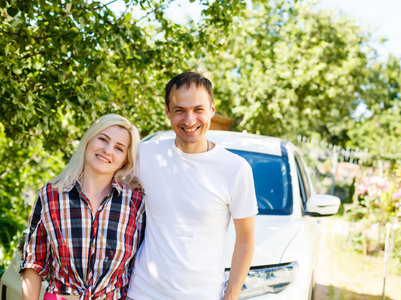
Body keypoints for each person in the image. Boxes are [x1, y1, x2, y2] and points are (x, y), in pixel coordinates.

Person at [127, 72, 258, 300]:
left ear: (212, 110)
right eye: (180, 110)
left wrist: (230, 297)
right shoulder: (145, 156)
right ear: (168, 112)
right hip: (142, 294)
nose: (189, 121)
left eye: (198, 109)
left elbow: (246, 240)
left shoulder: (236, 169)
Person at [21, 114, 145, 300]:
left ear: (125, 160)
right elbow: (33, 263)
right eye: (103, 139)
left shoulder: (136, 203)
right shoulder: (52, 194)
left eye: (119, 148)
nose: (107, 150)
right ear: (89, 140)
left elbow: (143, 267)